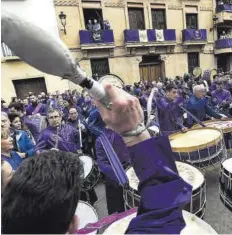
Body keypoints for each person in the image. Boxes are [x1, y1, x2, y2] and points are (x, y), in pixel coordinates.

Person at [2, 84, 191, 234]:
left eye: (56, 116)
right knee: (117, 208)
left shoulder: (69, 128)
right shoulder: (101, 140)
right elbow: (165, 205)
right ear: (74, 224)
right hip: (111, 177)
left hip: (114, 171)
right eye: (50, 117)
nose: (54, 119)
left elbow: (79, 144)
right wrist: (135, 133)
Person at [96, 128, 130, 214]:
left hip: (129, 171)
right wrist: (118, 176)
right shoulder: (101, 140)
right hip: (113, 177)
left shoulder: (125, 131)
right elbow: (102, 163)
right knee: (117, 210)